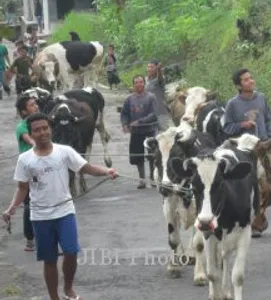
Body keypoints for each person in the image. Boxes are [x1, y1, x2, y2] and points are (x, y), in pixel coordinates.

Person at [2, 112, 118, 300]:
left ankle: (68, 288)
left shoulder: (64, 152)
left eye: (45, 128)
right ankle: (53, 296)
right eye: (37, 130)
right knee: (49, 259)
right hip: (40, 216)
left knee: (71, 251)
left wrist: (107, 171)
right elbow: (22, 188)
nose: (42, 133)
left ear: (50, 129)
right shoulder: (25, 159)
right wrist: (12, 207)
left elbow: (86, 168)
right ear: (31, 134)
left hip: (65, 212)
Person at [120, 75, 158, 189]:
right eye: (136, 82)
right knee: (138, 156)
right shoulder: (129, 99)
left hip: (149, 131)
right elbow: (124, 114)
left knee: (152, 156)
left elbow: (154, 114)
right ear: (133, 85)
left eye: (141, 82)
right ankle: (142, 180)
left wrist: (140, 121)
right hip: (136, 133)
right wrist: (125, 124)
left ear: (144, 83)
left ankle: (152, 178)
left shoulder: (151, 97)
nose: (139, 84)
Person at [14, 94, 40, 251]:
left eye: (35, 104)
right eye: (31, 105)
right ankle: (30, 239)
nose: (36, 106)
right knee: (29, 204)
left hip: (43, 166)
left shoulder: (41, 122)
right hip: (28, 169)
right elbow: (32, 142)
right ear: (24, 111)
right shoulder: (22, 127)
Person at [223, 68, 271, 141]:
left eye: (251, 78)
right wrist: (242, 125)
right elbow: (227, 128)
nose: (251, 81)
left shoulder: (261, 97)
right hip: (245, 148)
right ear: (238, 86)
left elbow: (268, 121)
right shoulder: (232, 104)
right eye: (246, 80)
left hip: (264, 144)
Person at [146, 60, 173, 131]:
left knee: (165, 131)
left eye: (152, 67)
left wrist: (159, 69)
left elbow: (160, 77)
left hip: (160, 111)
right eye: (148, 67)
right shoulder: (146, 80)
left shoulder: (160, 79)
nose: (149, 69)